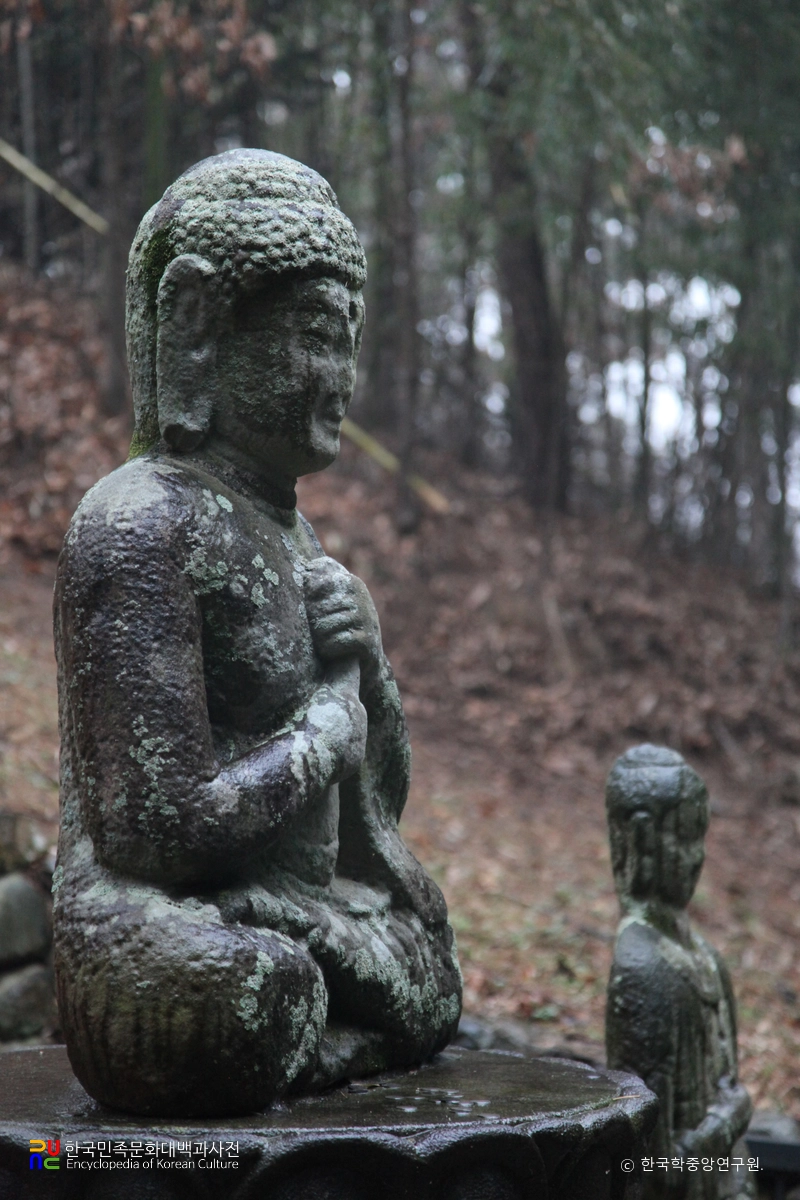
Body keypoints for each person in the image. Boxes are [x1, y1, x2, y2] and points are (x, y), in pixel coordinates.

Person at [52, 149, 461, 1117]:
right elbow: (150, 833)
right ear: (200, 325)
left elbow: (378, 796)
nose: (341, 379)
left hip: (286, 902)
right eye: (316, 336)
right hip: (157, 917)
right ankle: (319, 1031)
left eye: (349, 341)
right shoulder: (139, 521)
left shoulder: (288, 531)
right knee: (236, 995)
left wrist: (367, 659)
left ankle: (326, 1028)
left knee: (431, 962)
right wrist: (318, 739)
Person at [605, 745, 751, 1199]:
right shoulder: (642, 965)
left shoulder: (706, 957)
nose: (696, 857)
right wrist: (726, 1122)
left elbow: (730, 1079)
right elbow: (650, 1160)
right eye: (683, 838)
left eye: (699, 838)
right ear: (643, 840)